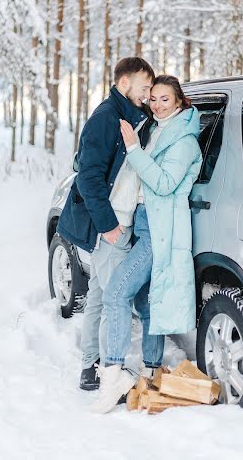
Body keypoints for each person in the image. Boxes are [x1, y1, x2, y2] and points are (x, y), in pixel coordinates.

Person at [89, 75, 203, 413]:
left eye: (164, 99)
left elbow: (165, 183)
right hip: (143, 222)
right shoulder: (159, 130)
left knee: (115, 293)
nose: (156, 105)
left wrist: (135, 151)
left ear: (180, 101)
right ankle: (151, 371)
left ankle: (113, 376)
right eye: (152, 99)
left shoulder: (184, 140)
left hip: (159, 230)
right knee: (146, 300)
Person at [57, 57, 155, 392]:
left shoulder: (126, 115)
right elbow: (88, 177)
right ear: (124, 82)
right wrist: (108, 225)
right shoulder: (106, 118)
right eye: (143, 87)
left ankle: (90, 367)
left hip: (112, 223)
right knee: (115, 299)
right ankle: (110, 371)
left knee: (99, 296)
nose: (146, 94)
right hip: (111, 225)